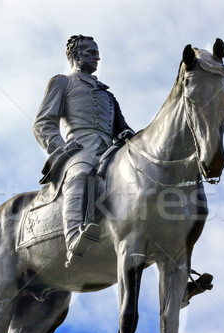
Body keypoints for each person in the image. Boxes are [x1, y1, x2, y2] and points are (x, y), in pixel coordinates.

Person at [33, 34, 135, 267]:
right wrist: (61, 147)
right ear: (75, 56)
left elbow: (123, 127)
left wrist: (128, 134)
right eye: (90, 52)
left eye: (97, 53)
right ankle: (73, 239)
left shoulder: (108, 95)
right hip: (79, 148)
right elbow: (42, 123)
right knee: (81, 173)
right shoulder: (62, 82)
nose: (97, 56)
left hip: (111, 151)